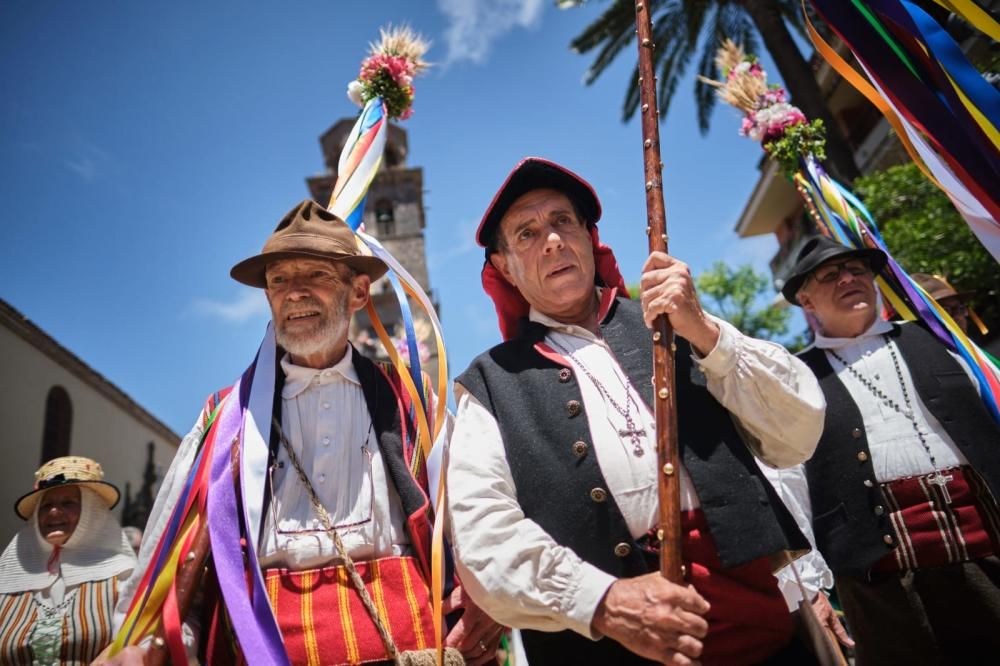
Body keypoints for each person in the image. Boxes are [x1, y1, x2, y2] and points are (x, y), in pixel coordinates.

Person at [447, 157, 828, 665]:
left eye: (563, 221)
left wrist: (707, 334)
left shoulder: (678, 324)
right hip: (603, 646)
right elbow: (481, 535)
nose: (553, 241)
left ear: (589, 236)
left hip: (757, 633)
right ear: (503, 268)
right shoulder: (490, 384)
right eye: (527, 233)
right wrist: (603, 602)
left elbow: (798, 432)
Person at [105, 200, 500, 665]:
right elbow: (174, 559)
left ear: (357, 293)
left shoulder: (413, 404)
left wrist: (489, 602)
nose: (294, 294)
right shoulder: (225, 418)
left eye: (315, 276)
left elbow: (475, 519)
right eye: (278, 281)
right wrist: (145, 643)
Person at [782, 235, 1000, 665]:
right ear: (806, 299)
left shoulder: (942, 339)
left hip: (986, 550)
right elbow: (787, 482)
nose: (849, 278)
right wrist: (808, 586)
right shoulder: (793, 377)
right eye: (831, 275)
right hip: (878, 583)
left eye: (858, 270)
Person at [0, 456, 136, 664]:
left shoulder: (124, 576)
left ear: (92, 511)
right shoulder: (6, 582)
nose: (54, 511)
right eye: (46, 506)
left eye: (67, 503)